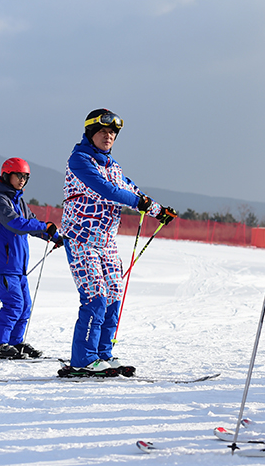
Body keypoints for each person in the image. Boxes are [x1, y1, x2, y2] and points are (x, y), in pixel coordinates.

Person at [60, 109, 177, 378]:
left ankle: (102, 353)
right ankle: (83, 360)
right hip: (81, 239)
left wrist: (158, 209)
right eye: (103, 132)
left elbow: (131, 189)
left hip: (107, 241)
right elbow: (107, 191)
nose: (109, 136)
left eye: (113, 133)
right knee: (95, 297)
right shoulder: (80, 160)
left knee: (113, 295)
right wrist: (140, 204)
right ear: (91, 133)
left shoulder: (113, 166)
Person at [0, 157, 63, 360]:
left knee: (25, 306)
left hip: (18, 267)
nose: (22, 181)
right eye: (19, 176)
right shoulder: (0, 201)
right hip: (4, 265)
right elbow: (16, 224)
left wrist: (53, 236)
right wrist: (45, 226)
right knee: (13, 305)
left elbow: (31, 223)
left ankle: (15, 343)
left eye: (26, 177)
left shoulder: (19, 201)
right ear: (7, 175)